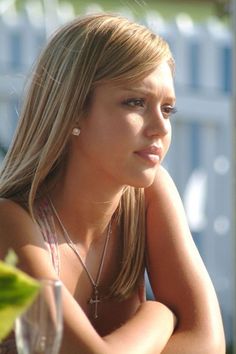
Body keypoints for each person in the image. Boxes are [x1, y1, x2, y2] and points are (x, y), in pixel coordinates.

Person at [0, 12, 225, 354]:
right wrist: (160, 314)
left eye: (168, 110)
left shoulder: (149, 194)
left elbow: (208, 344)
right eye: (135, 103)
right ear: (73, 110)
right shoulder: (9, 223)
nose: (161, 128)